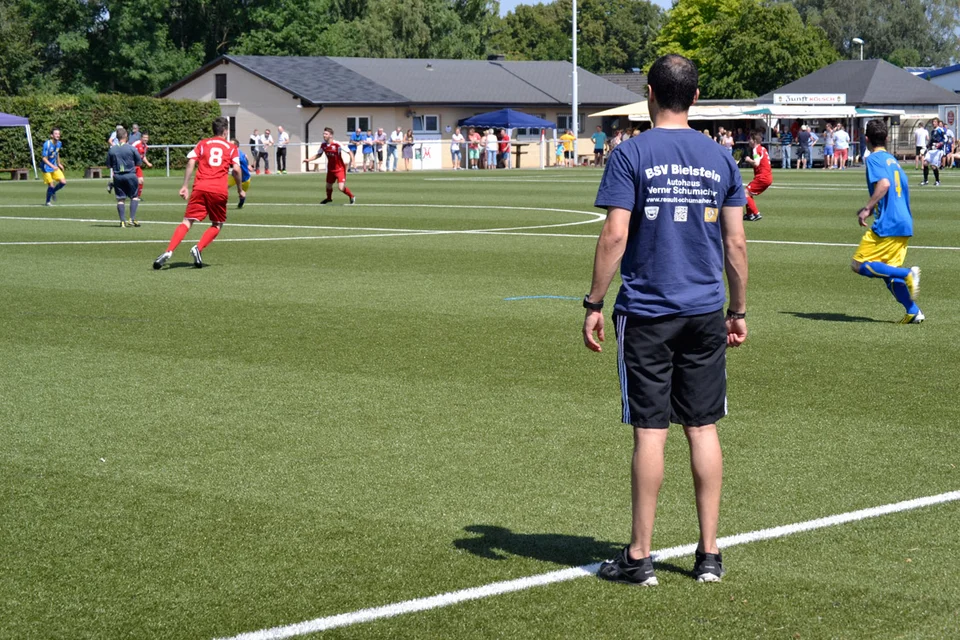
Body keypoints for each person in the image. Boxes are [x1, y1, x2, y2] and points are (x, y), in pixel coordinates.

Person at [583, 54, 748, 587]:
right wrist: (738, 309)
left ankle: (640, 556)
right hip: (704, 311)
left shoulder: (630, 153)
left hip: (648, 311)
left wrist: (593, 302)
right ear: (696, 98)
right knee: (702, 427)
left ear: (649, 93)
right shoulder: (721, 158)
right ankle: (709, 554)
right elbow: (736, 242)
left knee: (651, 432)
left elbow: (614, 236)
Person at [851, 119, 923, 324]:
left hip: (888, 224)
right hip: (904, 222)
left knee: (859, 265)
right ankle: (913, 311)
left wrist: (867, 209)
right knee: (887, 273)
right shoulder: (893, 161)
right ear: (887, 138)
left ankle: (908, 273)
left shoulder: (874, 159)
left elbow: (884, 184)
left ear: (866, 139)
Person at [153, 116, 244, 270]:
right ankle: (198, 248)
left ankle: (169, 251)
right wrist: (240, 189)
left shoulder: (203, 144)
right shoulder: (231, 148)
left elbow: (191, 161)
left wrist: (185, 186)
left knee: (187, 221)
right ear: (226, 131)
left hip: (200, 187)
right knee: (217, 224)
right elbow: (236, 169)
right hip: (219, 190)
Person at [302, 126, 356, 205]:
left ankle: (351, 196)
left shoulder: (337, 144)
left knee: (341, 188)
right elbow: (319, 154)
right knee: (328, 186)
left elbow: (350, 152)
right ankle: (329, 198)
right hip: (330, 170)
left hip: (340, 169)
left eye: (326, 134)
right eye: (324, 134)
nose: (324, 135)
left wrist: (353, 161)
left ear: (331, 135)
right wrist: (309, 160)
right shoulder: (323, 145)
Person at [106, 127, 142, 227]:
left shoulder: (112, 150)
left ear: (117, 137)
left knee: (121, 199)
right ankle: (132, 219)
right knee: (134, 197)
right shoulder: (131, 148)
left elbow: (108, 165)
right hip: (130, 175)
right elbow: (139, 162)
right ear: (126, 136)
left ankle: (122, 221)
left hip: (118, 176)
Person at [42, 127, 67, 206]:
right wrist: (52, 166)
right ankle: (48, 202)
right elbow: (44, 159)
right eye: (56, 134)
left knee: (63, 182)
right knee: (51, 185)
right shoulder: (47, 144)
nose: (58, 135)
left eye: (59, 134)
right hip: (46, 167)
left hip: (54, 166)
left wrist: (59, 163)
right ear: (51, 135)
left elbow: (57, 153)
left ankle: (53, 191)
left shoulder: (59, 143)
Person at [228, 138, 251, 209]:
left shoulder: (238, 155)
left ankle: (241, 204)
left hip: (245, 178)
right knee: (223, 187)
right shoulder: (236, 153)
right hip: (234, 176)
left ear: (236, 146)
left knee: (241, 194)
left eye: (231, 145)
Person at [921, 117, 945, 185]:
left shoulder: (940, 130)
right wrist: (926, 147)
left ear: (937, 123)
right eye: (933, 122)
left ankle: (937, 181)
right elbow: (931, 140)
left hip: (937, 150)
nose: (933, 123)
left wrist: (940, 143)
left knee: (933, 166)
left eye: (935, 122)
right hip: (931, 150)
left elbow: (945, 139)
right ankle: (925, 180)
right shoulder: (932, 131)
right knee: (925, 163)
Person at [132, 131, 153, 203]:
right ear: (141, 138)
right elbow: (128, 150)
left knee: (141, 181)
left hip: (137, 166)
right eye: (144, 137)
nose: (145, 139)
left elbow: (143, 156)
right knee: (128, 181)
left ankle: (137, 197)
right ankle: (113, 184)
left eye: (147, 138)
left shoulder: (145, 146)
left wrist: (148, 163)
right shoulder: (136, 144)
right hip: (131, 165)